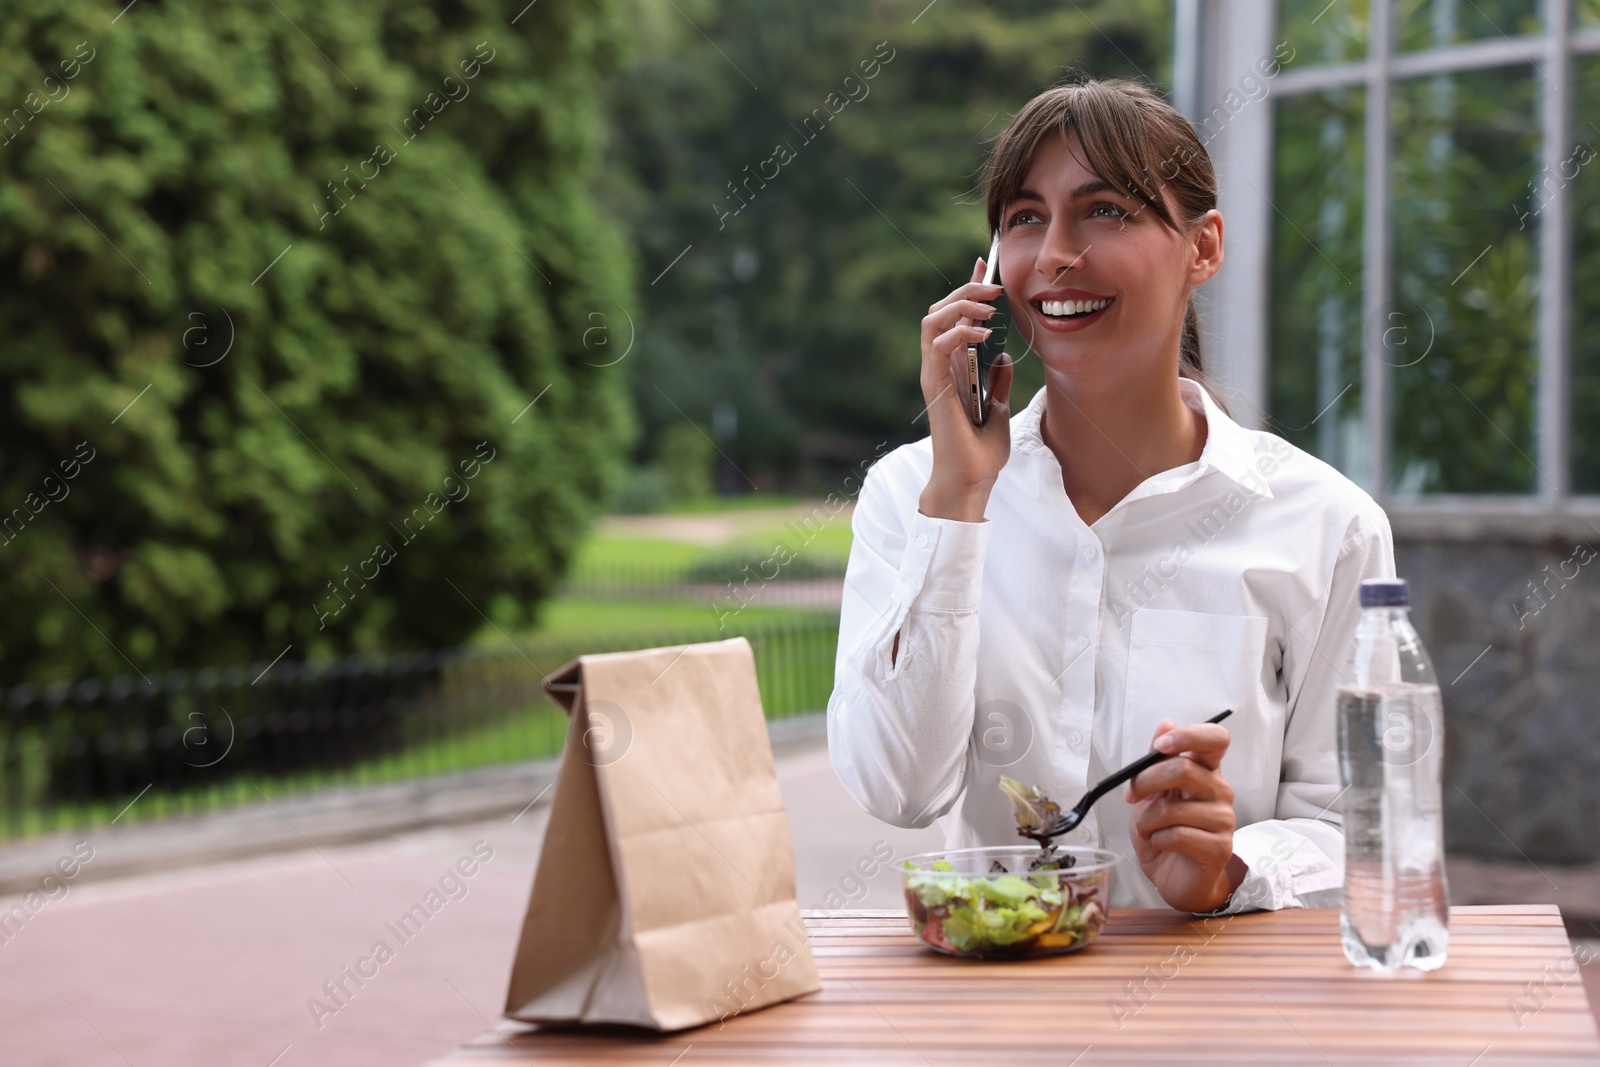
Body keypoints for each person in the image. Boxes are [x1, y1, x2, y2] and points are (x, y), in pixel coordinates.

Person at [826, 78, 1395, 914]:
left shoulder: (1330, 527)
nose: (1055, 253)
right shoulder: (913, 495)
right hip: (995, 1023)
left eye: (1106, 211)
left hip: (1219, 1025)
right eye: (1025, 217)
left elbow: (1359, 830)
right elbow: (898, 790)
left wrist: (1231, 866)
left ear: (1202, 249)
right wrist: (957, 504)